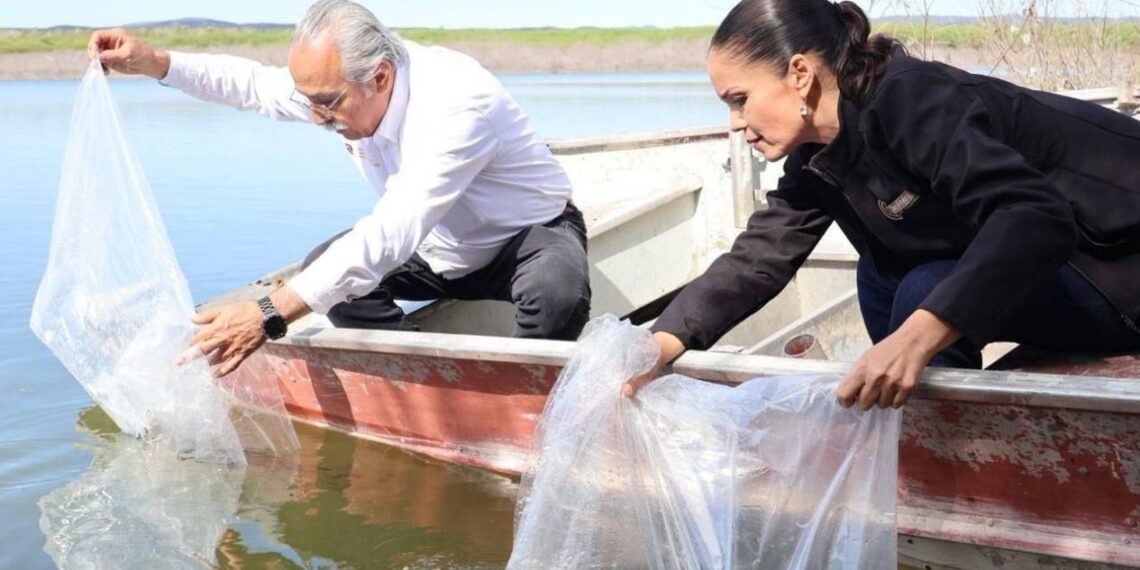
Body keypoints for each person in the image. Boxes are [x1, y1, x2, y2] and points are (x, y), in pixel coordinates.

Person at [624, 0, 1140, 409]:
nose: (735, 122)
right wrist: (661, 344)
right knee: (879, 274)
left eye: (739, 99)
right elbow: (763, 252)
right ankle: (921, 423)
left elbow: (1034, 216)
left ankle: (949, 439)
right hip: (1069, 265)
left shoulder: (915, 99)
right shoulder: (818, 154)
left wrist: (914, 338)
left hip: (1118, 267)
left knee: (921, 288)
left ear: (799, 74)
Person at [88, 0, 591, 376]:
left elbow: (393, 229)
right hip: (438, 248)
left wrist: (267, 313)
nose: (315, 117)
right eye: (310, 102)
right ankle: (425, 374)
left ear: (381, 76)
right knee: (327, 278)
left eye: (327, 104)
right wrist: (153, 60)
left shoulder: (458, 104)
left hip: (526, 238)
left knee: (557, 294)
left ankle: (538, 395)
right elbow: (251, 86)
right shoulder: (335, 87)